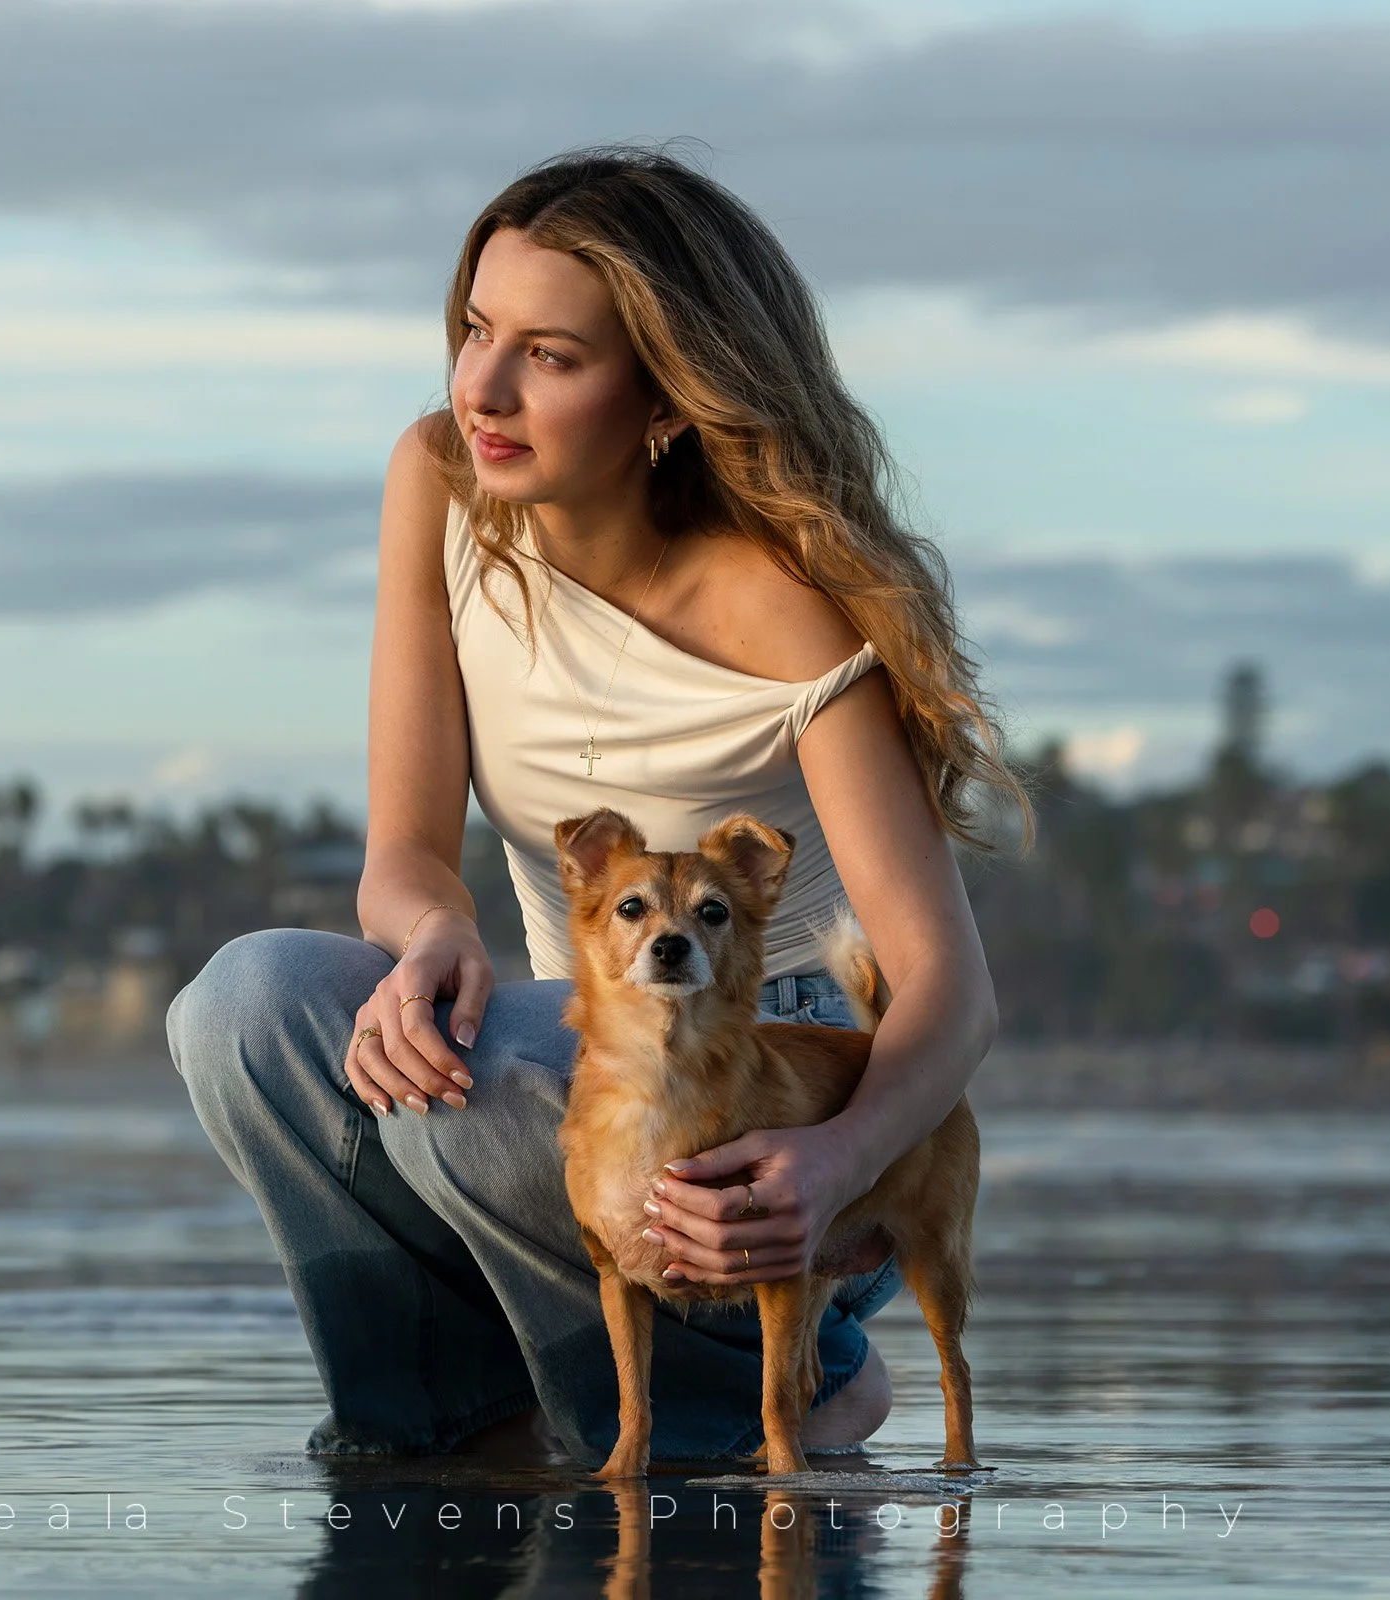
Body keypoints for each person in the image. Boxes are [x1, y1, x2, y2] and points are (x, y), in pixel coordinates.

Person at [166, 144, 1021, 1469]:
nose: (482, 388)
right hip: (565, 1049)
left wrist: (839, 1161)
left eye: (551, 359)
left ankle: (799, 1382)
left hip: (763, 1093)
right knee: (249, 1006)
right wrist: (433, 933)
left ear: (669, 401)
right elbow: (403, 848)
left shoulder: (782, 609)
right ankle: (437, 1418)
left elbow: (949, 992)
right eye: (474, 330)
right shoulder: (441, 480)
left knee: (492, 1096)